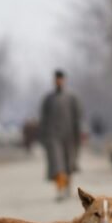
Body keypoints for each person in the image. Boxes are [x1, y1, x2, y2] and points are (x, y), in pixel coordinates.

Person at [40, 69, 82, 201]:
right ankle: (60, 189)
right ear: (54, 81)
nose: (58, 81)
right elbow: (43, 119)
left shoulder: (72, 97)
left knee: (68, 164)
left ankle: (68, 186)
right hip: (53, 136)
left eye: (60, 79)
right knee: (57, 165)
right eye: (56, 79)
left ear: (64, 80)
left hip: (69, 136)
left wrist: (78, 136)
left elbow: (78, 118)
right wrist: (43, 137)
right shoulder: (48, 99)